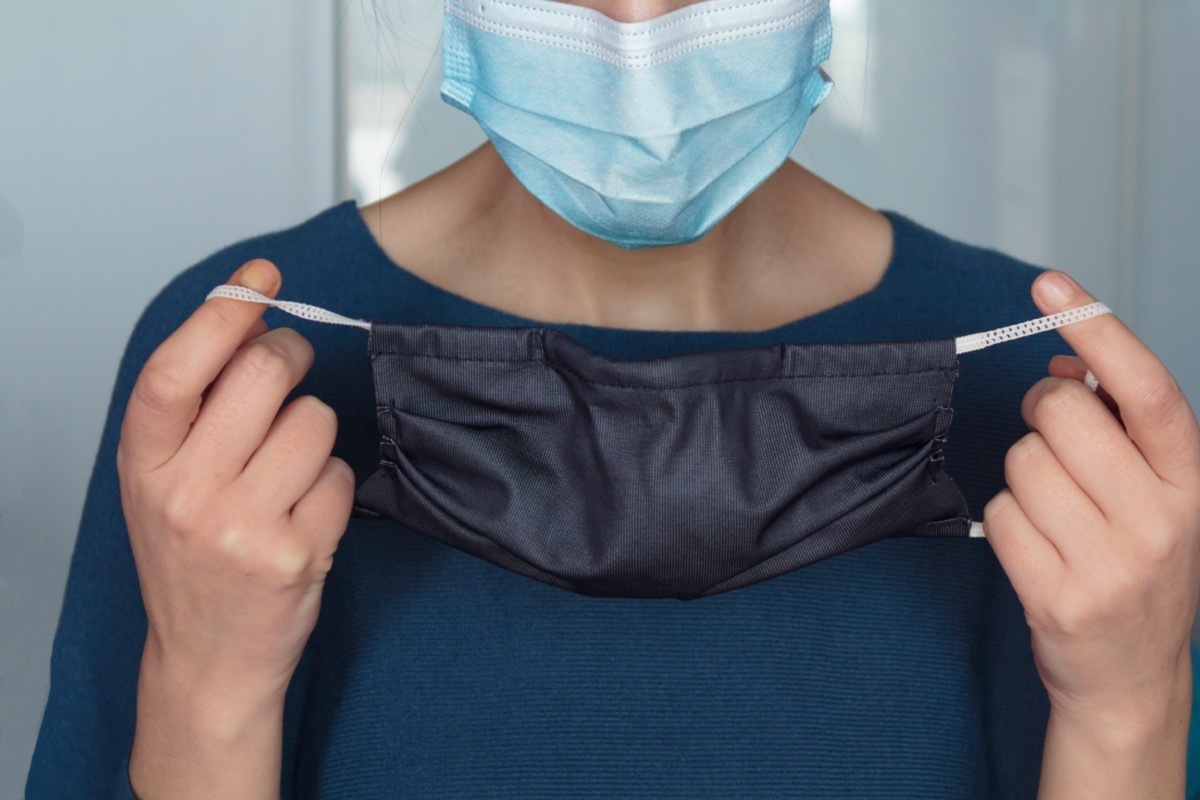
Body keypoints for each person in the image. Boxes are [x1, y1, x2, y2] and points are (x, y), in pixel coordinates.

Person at [26, 0, 1200, 796]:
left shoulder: (1043, 401)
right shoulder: (237, 364)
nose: (637, 24)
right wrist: (207, 697)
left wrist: (1129, 718)